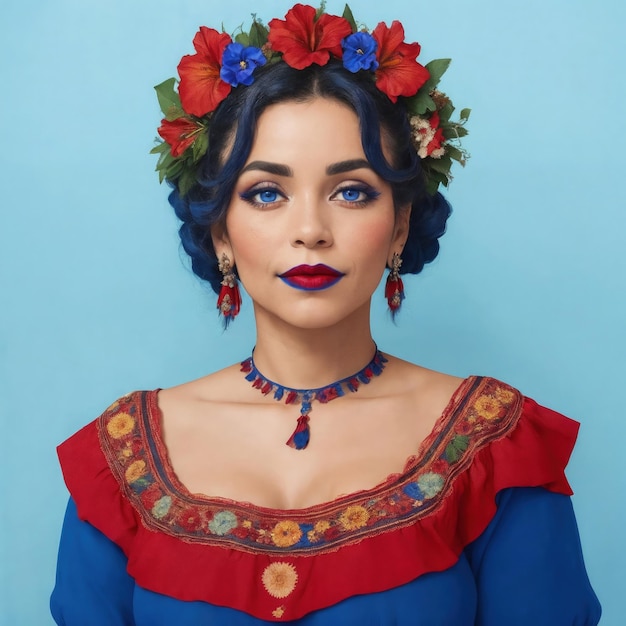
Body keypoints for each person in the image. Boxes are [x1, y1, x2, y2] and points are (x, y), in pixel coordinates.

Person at [50, 4, 601, 624]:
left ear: (399, 227)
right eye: (266, 193)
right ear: (221, 235)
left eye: (351, 192)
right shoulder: (119, 463)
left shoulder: (497, 448)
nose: (310, 230)